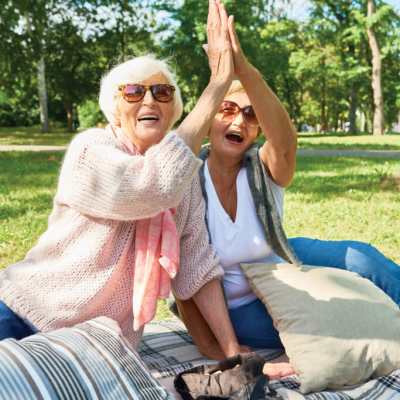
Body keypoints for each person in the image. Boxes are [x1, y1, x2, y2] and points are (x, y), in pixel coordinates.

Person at [0, 1, 244, 359]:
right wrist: (217, 87)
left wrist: (232, 352)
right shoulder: (91, 150)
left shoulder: (182, 178)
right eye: (134, 92)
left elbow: (197, 267)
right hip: (25, 313)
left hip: (97, 347)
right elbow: (149, 185)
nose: (150, 100)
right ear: (115, 107)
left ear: (173, 109)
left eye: (162, 93)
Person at [175, 0, 400, 378]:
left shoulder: (263, 166)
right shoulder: (186, 176)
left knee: (360, 257)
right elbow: (174, 156)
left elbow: (286, 141)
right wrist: (214, 346)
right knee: (336, 313)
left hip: (279, 259)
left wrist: (241, 67)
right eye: (227, 109)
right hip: (240, 303)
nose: (239, 119)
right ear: (210, 116)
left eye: (250, 114)